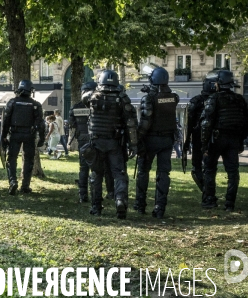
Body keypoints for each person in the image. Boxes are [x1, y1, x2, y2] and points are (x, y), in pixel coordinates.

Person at [82, 70, 138, 219]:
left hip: (96, 141)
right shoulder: (122, 98)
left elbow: (84, 97)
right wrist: (133, 145)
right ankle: (120, 200)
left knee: (96, 175)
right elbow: (131, 124)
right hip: (114, 143)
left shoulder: (92, 97)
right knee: (119, 174)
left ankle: (96, 207)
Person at [200, 70, 248, 211]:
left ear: (218, 84)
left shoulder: (214, 99)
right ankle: (230, 203)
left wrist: (204, 145)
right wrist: (241, 140)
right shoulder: (240, 100)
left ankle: (210, 200)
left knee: (209, 169)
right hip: (233, 140)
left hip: (216, 139)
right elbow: (247, 122)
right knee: (233, 172)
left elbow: (206, 123)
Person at [134, 67, 180, 219]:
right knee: (163, 173)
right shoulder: (174, 97)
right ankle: (160, 207)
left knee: (143, 171)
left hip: (150, 140)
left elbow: (145, 121)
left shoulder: (148, 98)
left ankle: (140, 204)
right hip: (167, 140)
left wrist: (137, 139)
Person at [1, 80, 45, 195]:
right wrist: (42, 138)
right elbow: (41, 123)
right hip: (29, 135)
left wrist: (4, 136)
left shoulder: (12, 102)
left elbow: (5, 121)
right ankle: (25, 186)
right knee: (28, 160)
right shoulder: (35, 104)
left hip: (15, 134)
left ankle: (12, 181)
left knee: (11, 159)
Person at [183, 74, 218, 192]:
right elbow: (190, 123)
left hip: (203, 138)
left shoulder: (198, 100)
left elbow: (189, 124)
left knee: (201, 167)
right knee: (207, 167)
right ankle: (207, 191)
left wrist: (187, 141)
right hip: (206, 138)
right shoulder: (216, 100)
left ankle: (207, 192)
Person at [69, 81, 97, 203]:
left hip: (82, 139)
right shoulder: (98, 105)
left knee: (83, 167)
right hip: (96, 138)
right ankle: (96, 195)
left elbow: (71, 123)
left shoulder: (76, 107)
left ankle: (83, 195)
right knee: (96, 168)